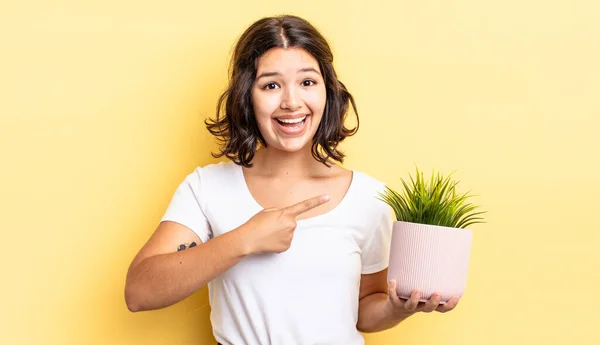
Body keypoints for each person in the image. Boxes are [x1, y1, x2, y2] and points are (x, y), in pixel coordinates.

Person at [124, 14, 459, 345]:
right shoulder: (207, 188)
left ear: (327, 91)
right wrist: (243, 240)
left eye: (307, 82)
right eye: (271, 85)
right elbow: (139, 292)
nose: (291, 102)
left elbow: (362, 309)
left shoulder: (370, 198)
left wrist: (396, 309)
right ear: (246, 96)